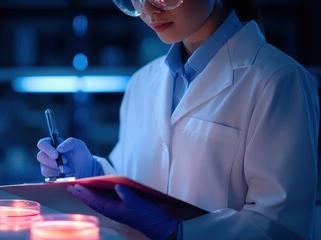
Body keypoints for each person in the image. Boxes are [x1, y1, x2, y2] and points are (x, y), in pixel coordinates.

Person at [37, 0, 320, 239]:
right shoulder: (142, 82)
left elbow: (280, 226)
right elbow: (133, 189)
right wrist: (91, 174)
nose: (148, 11)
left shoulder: (279, 81)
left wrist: (178, 232)